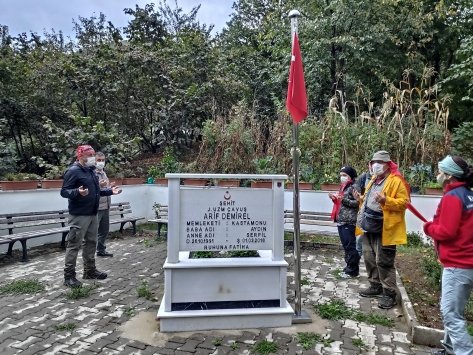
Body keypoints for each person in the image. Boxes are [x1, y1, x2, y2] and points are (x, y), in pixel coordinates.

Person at [423, 155, 473, 355]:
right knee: (454, 309)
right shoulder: (468, 195)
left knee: (451, 314)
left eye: (440, 171)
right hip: (466, 261)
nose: (438, 175)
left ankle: (465, 352)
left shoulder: (453, 197)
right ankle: (450, 349)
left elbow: (446, 231)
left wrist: (428, 227)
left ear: (449, 175)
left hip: (457, 264)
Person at [353, 150, 409, 309]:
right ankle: (375, 285)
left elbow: (404, 203)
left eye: (379, 162)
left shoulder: (396, 181)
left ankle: (389, 293)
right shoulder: (373, 180)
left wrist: (386, 200)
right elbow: (369, 201)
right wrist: (360, 199)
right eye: (373, 162)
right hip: (368, 226)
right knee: (369, 257)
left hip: (386, 228)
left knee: (383, 261)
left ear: (387, 165)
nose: (375, 165)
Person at [61, 145, 122, 288]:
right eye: (89, 155)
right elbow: (64, 192)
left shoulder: (90, 171)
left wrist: (110, 192)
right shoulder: (73, 171)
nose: (93, 158)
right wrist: (77, 192)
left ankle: (90, 271)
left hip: (92, 213)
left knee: (91, 243)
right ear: (80, 156)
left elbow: (96, 192)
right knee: (74, 245)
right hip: (79, 215)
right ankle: (68, 276)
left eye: (93, 154)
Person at [329, 166, 360, 278]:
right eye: (341, 175)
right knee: (346, 246)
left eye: (345, 175)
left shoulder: (354, 187)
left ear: (351, 176)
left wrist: (343, 200)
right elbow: (341, 202)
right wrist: (334, 198)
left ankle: (353, 270)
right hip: (341, 219)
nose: (342, 177)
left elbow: (358, 203)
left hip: (349, 221)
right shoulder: (344, 186)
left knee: (350, 246)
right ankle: (349, 267)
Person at [95, 151, 114, 257]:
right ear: (94, 161)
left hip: (106, 205)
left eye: (103, 160)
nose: (101, 162)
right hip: (97, 207)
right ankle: (89, 254)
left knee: (104, 230)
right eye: (99, 160)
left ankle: (101, 250)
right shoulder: (92, 173)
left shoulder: (103, 172)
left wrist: (110, 187)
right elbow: (90, 188)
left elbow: (105, 188)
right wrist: (99, 185)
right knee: (93, 232)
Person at [354, 165, 373, 257]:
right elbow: (357, 190)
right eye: (372, 163)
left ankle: (368, 253)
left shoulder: (385, 179)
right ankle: (358, 253)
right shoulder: (364, 177)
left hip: (375, 212)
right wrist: (360, 198)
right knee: (360, 234)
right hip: (362, 210)